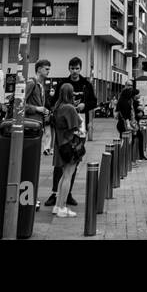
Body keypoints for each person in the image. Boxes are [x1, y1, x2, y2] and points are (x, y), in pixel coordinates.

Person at [50, 83, 86, 218]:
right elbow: (77, 124)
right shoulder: (70, 108)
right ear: (71, 94)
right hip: (70, 145)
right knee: (68, 176)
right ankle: (62, 207)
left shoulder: (58, 107)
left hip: (60, 144)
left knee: (63, 175)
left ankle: (57, 205)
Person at [115, 80, 147, 162]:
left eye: (131, 85)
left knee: (134, 139)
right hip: (125, 124)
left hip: (130, 124)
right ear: (125, 85)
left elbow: (134, 110)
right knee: (128, 142)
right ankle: (125, 161)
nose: (130, 87)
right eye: (129, 85)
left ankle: (132, 159)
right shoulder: (124, 99)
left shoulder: (129, 99)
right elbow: (124, 113)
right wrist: (129, 123)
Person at [25, 59, 52, 155]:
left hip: (37, 124)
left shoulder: (41, 86)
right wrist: (37, 108)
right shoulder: (31, 83)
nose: (49, 71)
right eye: (46, 69)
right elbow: (19, 105)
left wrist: (44, 110)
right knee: (30, 154)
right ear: (39, 69)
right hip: (30, 124)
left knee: (35, 154)